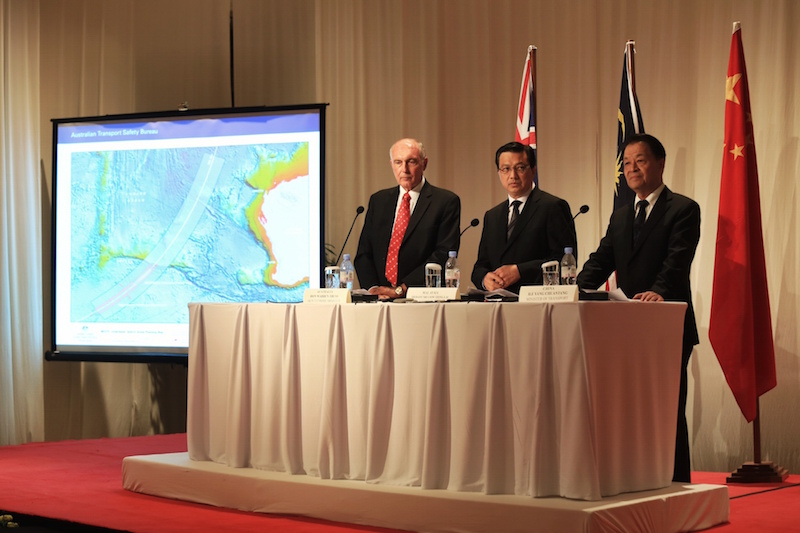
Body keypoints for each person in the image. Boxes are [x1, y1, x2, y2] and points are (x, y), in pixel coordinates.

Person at [576, 133, 700, 483]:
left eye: (640, 160)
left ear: (660, 163)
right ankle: (638, 477)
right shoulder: (620, 216)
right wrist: (574, 289)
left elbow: (677, 261)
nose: (632, 168)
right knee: (631, 409)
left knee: (667, 408)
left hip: (667, 324)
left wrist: (657, 292)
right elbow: (600, 261)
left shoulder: (682, 208)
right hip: (626, 327)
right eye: (627, 163)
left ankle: (677, 481)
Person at [355, 138, 461, 299]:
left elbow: (443, 253)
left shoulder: (445, 202)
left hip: (420, 298)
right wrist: (373, 290)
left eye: (411, 162)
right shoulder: (378, 200)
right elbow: (364, 253)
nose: (404, 169)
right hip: (379, 300)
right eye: (398, 162)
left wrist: (402, 289)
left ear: (424, 164)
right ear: (392, 165)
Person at [471, 141, 576, 293]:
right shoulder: (492, 216)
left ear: (533, 170)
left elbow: (565, 262)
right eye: (506, 169)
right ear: (499, 173)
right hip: (497, 303)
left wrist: (520, 271)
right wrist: (484, 279)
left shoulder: (552, 207)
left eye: (520, 168)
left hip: (537, 301)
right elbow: (480, 266)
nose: (512, 176)